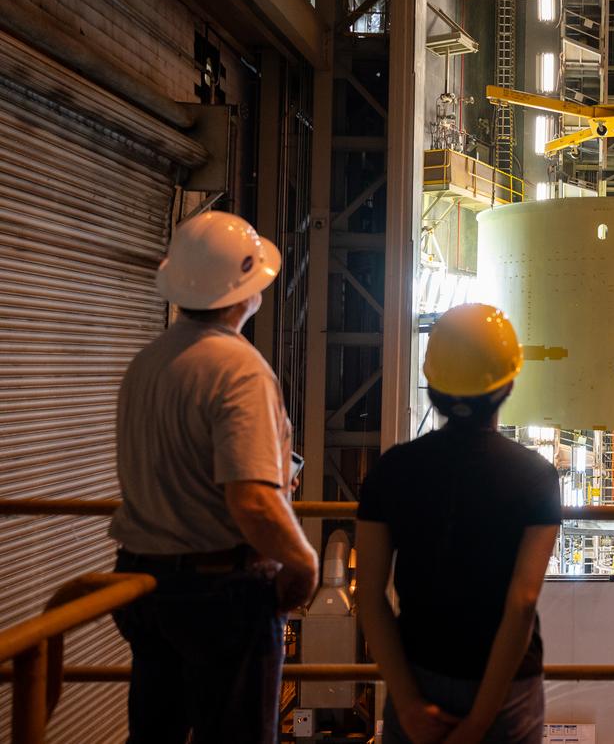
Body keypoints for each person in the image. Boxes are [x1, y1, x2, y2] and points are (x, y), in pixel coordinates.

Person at [109, 210, 319, 744]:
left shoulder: (147, 362)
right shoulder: (238, 369)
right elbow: (252, 502)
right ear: (244, 289)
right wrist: (303, 560)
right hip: (218, 594)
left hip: (142, 584)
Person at [357, 303, 561, 744]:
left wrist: (408, 704)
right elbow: (522, 604)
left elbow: (370, 597)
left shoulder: (392, 470)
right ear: (508, 384)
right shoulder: (536, 478)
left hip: (420, 681)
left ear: (433, 385)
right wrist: (479, 722)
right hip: (506, 694)